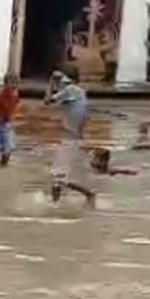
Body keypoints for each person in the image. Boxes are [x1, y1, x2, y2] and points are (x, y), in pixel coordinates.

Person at [43, 65, 96, 206]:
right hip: (73, 138)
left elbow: (47, 100)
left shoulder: (70, 90)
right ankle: (55, 203)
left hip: (70, 140)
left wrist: (50, 81)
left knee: (58, 176)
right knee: (58, 175)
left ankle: (88, 194)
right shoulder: (78, 91)